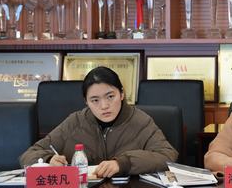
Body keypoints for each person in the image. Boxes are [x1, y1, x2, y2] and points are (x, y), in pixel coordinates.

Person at [19, 66, 177, 177]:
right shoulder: (75, 122)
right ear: (86, 102)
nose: (104, 106)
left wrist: (123, 163)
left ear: (122, 94)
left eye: (110, 96)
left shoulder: (140, 120)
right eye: (95, 100)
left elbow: (167, 156)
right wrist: (48, 160)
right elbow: (29, 155)